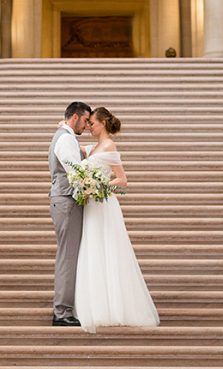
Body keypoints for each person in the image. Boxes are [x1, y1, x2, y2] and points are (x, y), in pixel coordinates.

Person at [74, 106, 160, 333]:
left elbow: (122, 180)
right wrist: (64, 128)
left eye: (91, 123)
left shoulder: (109, 145)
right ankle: (99, 306)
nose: (89, 126)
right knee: (94, 250)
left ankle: (116, 308)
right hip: (91, 205)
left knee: (109, 249)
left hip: (103, 204)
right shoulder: (93, 147)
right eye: (87, 123)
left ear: (103, 123)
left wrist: (97, 187)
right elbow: (72, 149)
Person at [48, 100, 92, 326]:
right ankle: (62, 312)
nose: (86, 126)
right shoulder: (65, 138)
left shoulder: (65, 136)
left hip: (65, 199)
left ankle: (65, 307)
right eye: (85, 120)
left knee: (69, 255)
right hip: (67, 200)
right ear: (74, 118)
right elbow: (77, 172)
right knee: (67, 257)